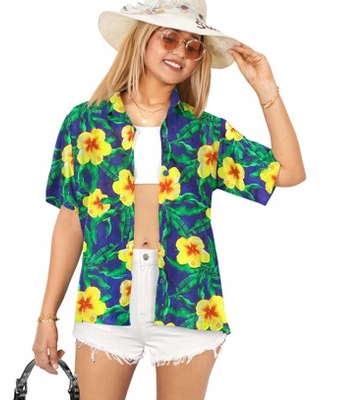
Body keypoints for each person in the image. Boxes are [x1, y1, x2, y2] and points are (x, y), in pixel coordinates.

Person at [32, 0, 306, 399]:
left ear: (198, 62)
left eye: (193, 46)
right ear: (143, 39)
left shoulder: (205, 133)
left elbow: (290, 172)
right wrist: (47, 316)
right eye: (170, 38)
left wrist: (266, 90)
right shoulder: (86, 123)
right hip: (104, 298)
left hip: (189, 300)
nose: (180, 51)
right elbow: (70, 222)